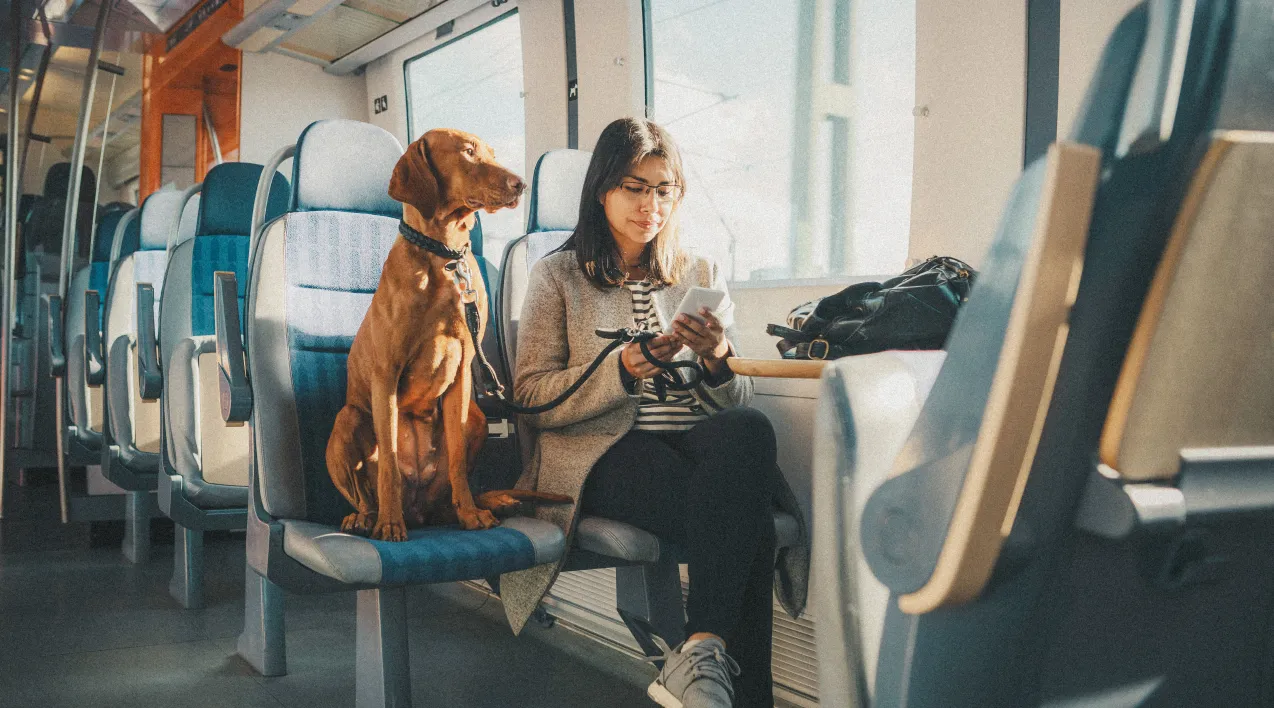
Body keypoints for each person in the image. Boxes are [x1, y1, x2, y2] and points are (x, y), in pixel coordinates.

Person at [497, 117, 806, 708]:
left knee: (749, 426)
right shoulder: (556, 276)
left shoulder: (700, 272)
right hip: (605, 453)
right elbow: (531, 398)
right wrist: (622, 369)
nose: (651, 204)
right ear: (602, 190)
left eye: (665, 189)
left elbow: (732, 398)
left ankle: (698, 653)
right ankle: (735, 685)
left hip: (692, 450)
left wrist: (718, 357)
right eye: (636, 187)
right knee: (750, 525)